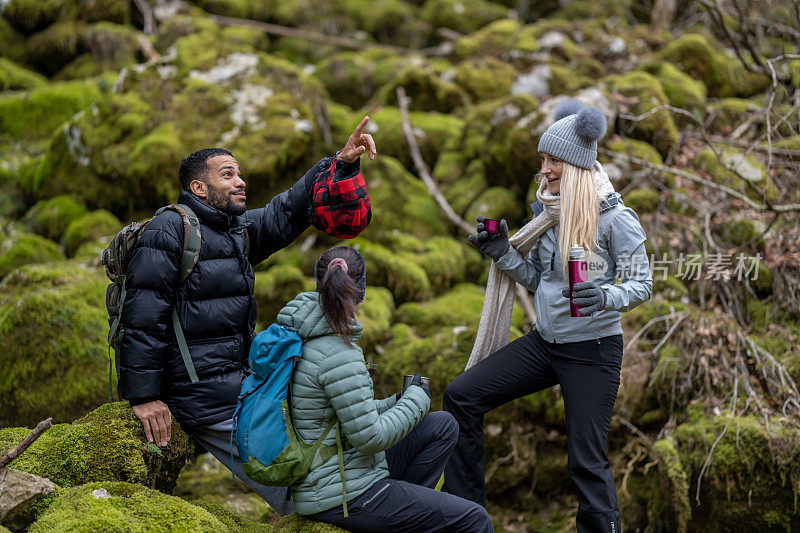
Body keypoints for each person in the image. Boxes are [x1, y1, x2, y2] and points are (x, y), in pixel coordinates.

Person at [117, 118, 377, 515]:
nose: (240, 181)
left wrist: (338, 164)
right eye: (227, 175)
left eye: (239, 173)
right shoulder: (169, 230)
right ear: (198, 188)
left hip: (241, 377)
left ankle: (352, 487)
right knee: (294, 479)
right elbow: (143, 317)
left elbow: (286, 211)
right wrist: (145, 396)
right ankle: (324, 506)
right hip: (203, 393)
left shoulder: (234, 229)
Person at [444, 100, 653, 533]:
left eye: (552, 160)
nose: (544, 169)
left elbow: (642, 285)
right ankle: (464, 518)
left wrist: (606, 296)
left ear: (575, 164)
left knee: (585, 459)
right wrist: (502, 252)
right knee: (461, 397)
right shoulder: (547, 214)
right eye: (542, 159)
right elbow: (542, 281)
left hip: (593, 351)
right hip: (547, 343)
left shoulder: (616, 219)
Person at [279, 245, 494, 532]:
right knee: (474, 518)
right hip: (342, 495)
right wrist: (415, 399)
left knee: (443, 425)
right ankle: (397, 513)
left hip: (335, 470)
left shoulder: (302, 332)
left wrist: (394, 402)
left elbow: (338, 416)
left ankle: (404, 517)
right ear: (361, 293)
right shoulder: (339, 353)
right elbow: (370, 438)